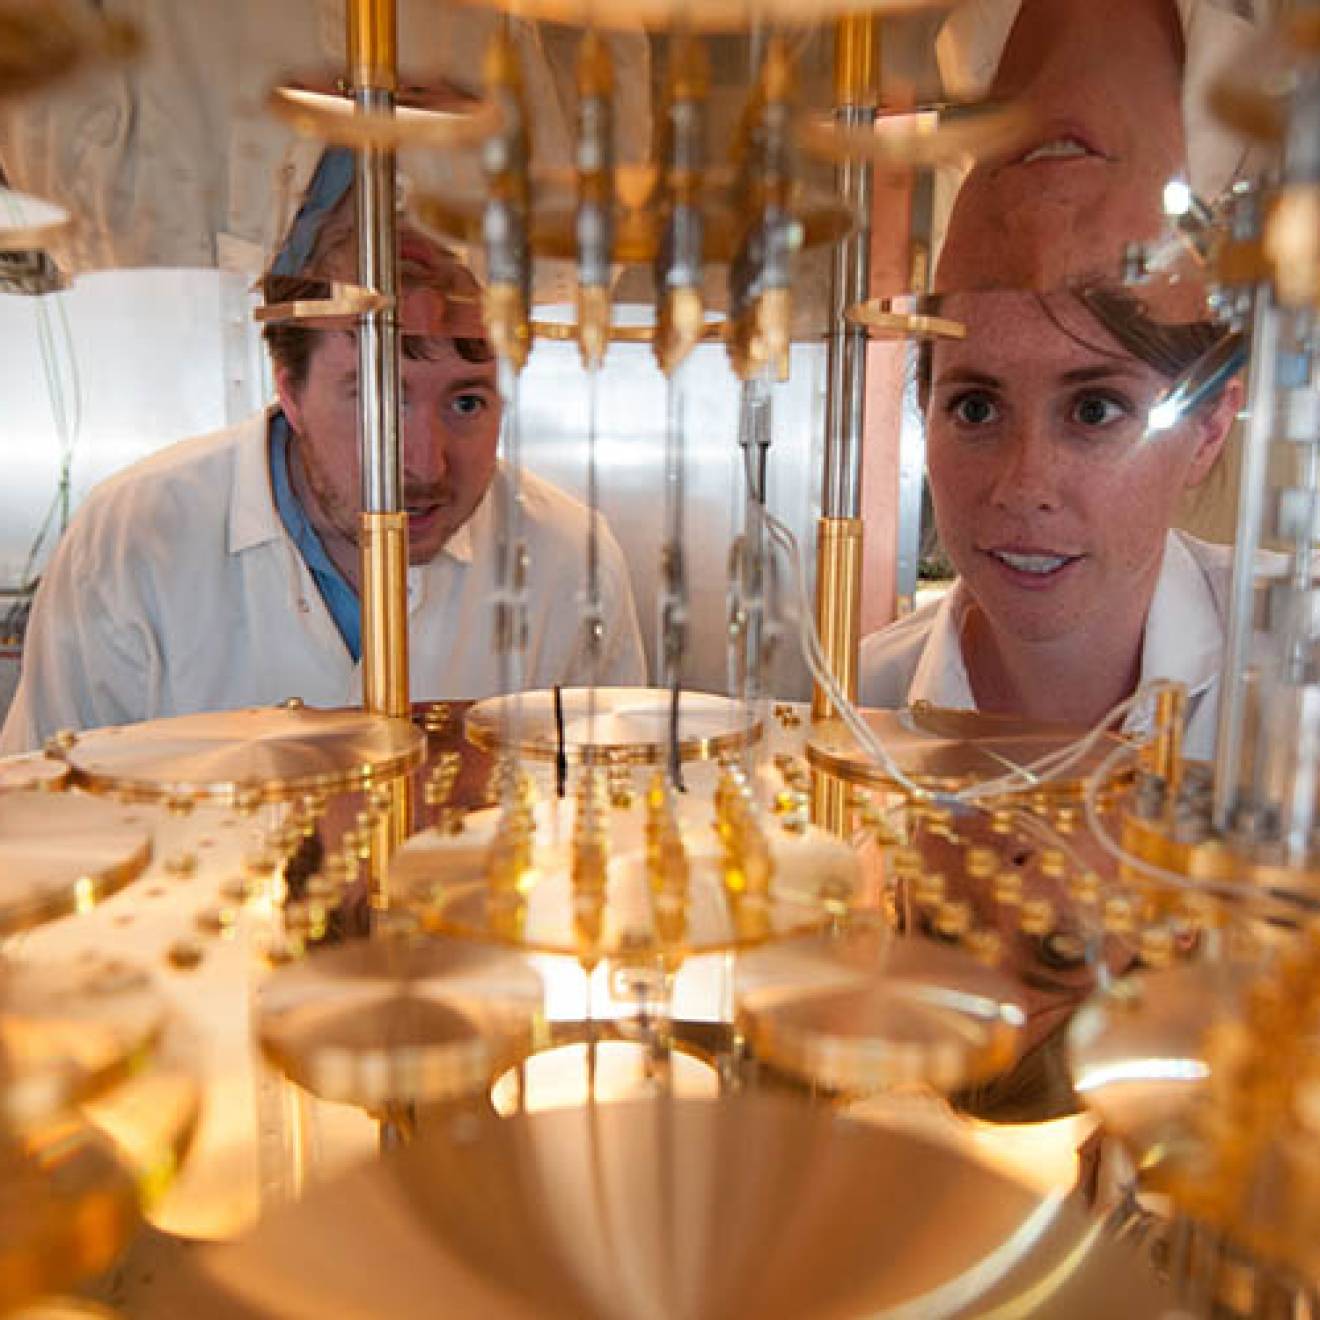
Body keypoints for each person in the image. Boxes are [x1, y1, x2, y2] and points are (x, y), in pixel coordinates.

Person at [0, 150, 645, 752]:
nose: (424, 464)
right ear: (290, 390)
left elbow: (614, 831)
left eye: (467, 403)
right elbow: (41, 822)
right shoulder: (129, 546)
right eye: (377, 401)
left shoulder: (571, 564)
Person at [860, 284, 1240, 758]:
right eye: (976, 408)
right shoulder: (859, 697)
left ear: (1208, 432)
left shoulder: (1297, 668)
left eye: (1094, 410)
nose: (1023, 490)